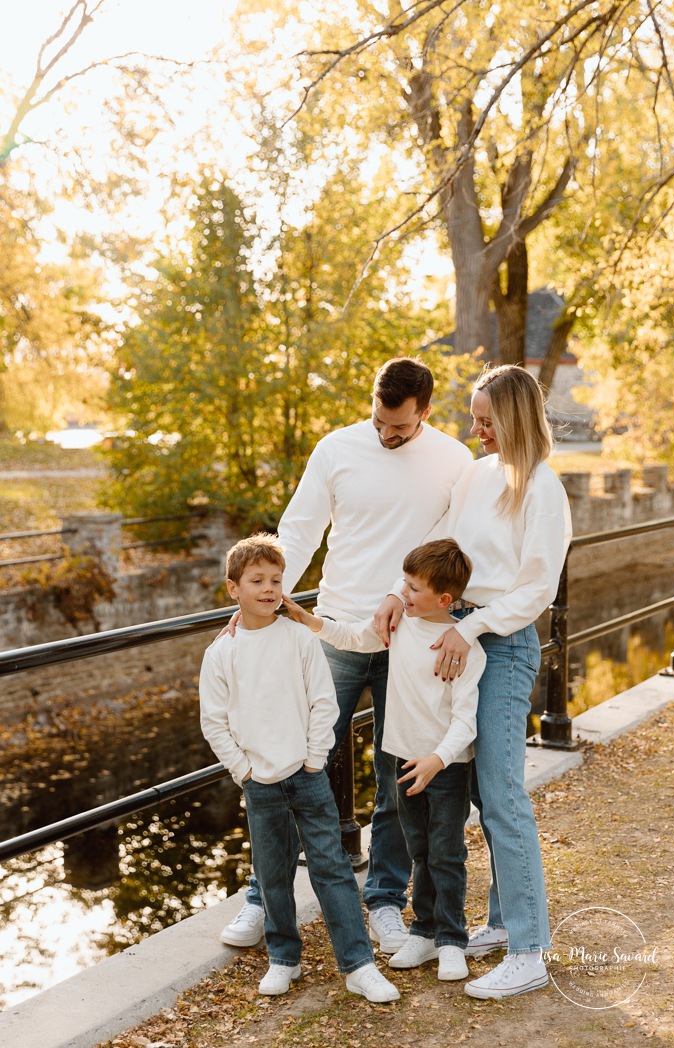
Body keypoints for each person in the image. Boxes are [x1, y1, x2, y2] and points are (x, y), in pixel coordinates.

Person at [220, 357, 473, 955]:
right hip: (334, 632)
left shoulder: (454, 461)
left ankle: (385, 899)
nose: (387, 434)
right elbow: (298, 530)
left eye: (400, 427)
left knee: (398, 777)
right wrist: (264, 600)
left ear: (425, 411)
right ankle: (263, 896)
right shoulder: (336, 449)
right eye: (379, 421)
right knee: (287, 762)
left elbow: (448, 550)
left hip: (410, 639)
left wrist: (398, 595)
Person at [375, 364, 572, 999]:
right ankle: (501, 920)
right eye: (474, 417)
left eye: (486, 420)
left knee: (502, 794)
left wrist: (475, 626)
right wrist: (398, 593)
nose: (476, 429)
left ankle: (529, 950)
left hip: (502, 643)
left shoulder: (542, 488)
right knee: (479, 792)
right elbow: (439, 545)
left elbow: (537, 589)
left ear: (514, 416)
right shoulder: (477, 475)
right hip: (453, 630)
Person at [199, 534, 399, 1002]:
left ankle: (359, 965)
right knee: (271, 876)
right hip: (259, 783)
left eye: (276, 580)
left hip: (307, 777)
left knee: (332, 867)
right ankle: (284, 958)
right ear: (233, 589)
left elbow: (323, 702)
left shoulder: (300, 638)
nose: (268, 588)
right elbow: (214, 721)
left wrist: (313, 759)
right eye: (257, 581)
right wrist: (243, 770)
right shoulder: (222, 652)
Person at [283, 537, 485, 982]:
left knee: (447, 853)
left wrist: (438, 759)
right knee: (420, 849)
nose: (402, 592)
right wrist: (310, 620)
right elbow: (353, 637)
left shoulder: (464, 648)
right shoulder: (400, 625)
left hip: (445, 767)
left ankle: (452, 939)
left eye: (412, 588)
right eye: (404, 583)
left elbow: (465, 721)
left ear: (444, 599)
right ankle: (424, 931)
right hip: (401, 760)